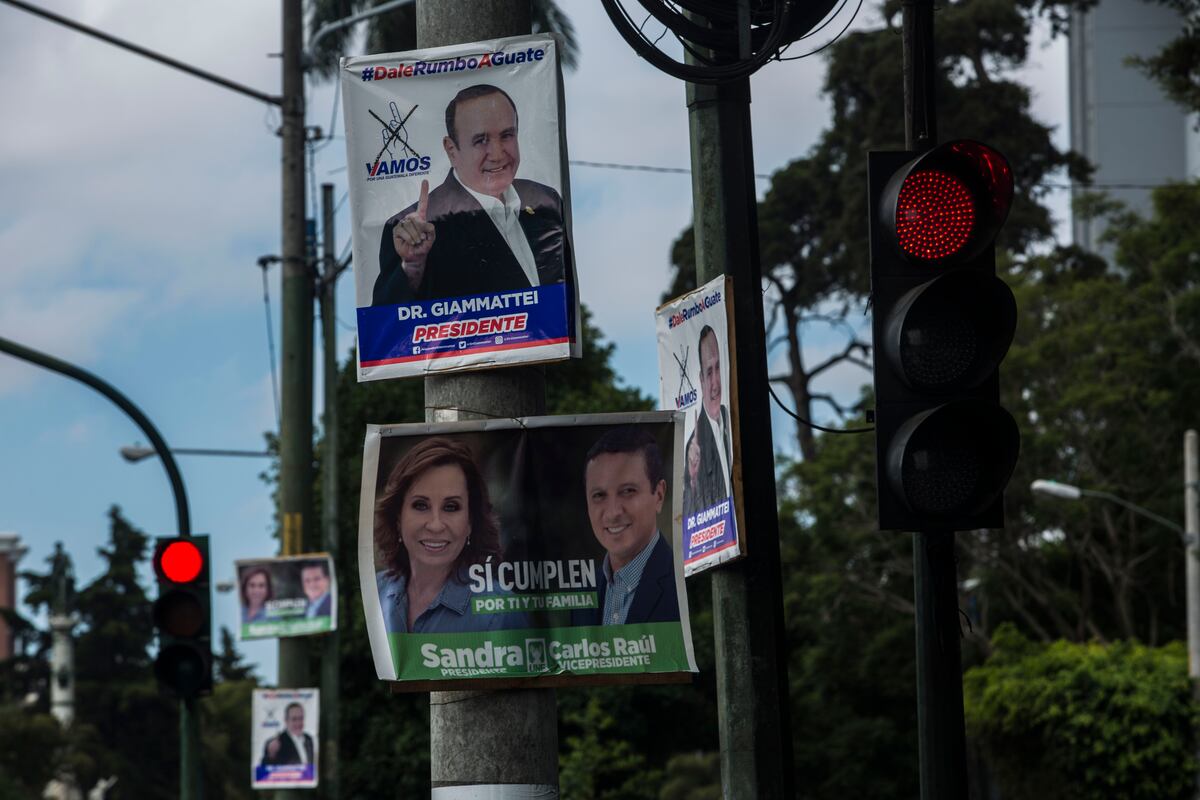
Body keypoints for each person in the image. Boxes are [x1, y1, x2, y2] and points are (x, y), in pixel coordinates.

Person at [373, 83, 571, 305]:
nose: (497, 154)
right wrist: (413, 266)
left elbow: (565, 297)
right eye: (481, 140)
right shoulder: (414, 227)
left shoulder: (544, 199)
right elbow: (387, 327)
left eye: (507, 135)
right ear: (451, 150)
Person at [374, 437, 527, 633]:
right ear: (398, 517)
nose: (436, 525)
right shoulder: (376, 591)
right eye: (420, 505)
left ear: (471, 521)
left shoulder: (501, 611)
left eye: (451, 507)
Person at [572, 427, 680, 627]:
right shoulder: (581, 595)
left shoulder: (683, 582)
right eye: (599, 495)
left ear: (659, 495)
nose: (613, 512)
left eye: (628, 491)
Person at [684, 324, 733, 518]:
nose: (715, 384)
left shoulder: (731, 419)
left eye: (718, 368)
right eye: (709, 372)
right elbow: (687, 512)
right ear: (701, 380)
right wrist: (693, 481)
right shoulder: (693, 449)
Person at [260, 702, 315, 767]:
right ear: (286, 720)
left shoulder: (309, 739)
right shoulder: (276, 742)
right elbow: (265, 770)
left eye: (301, 718)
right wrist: (271, 755)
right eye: (294, 719)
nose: (298, 723)